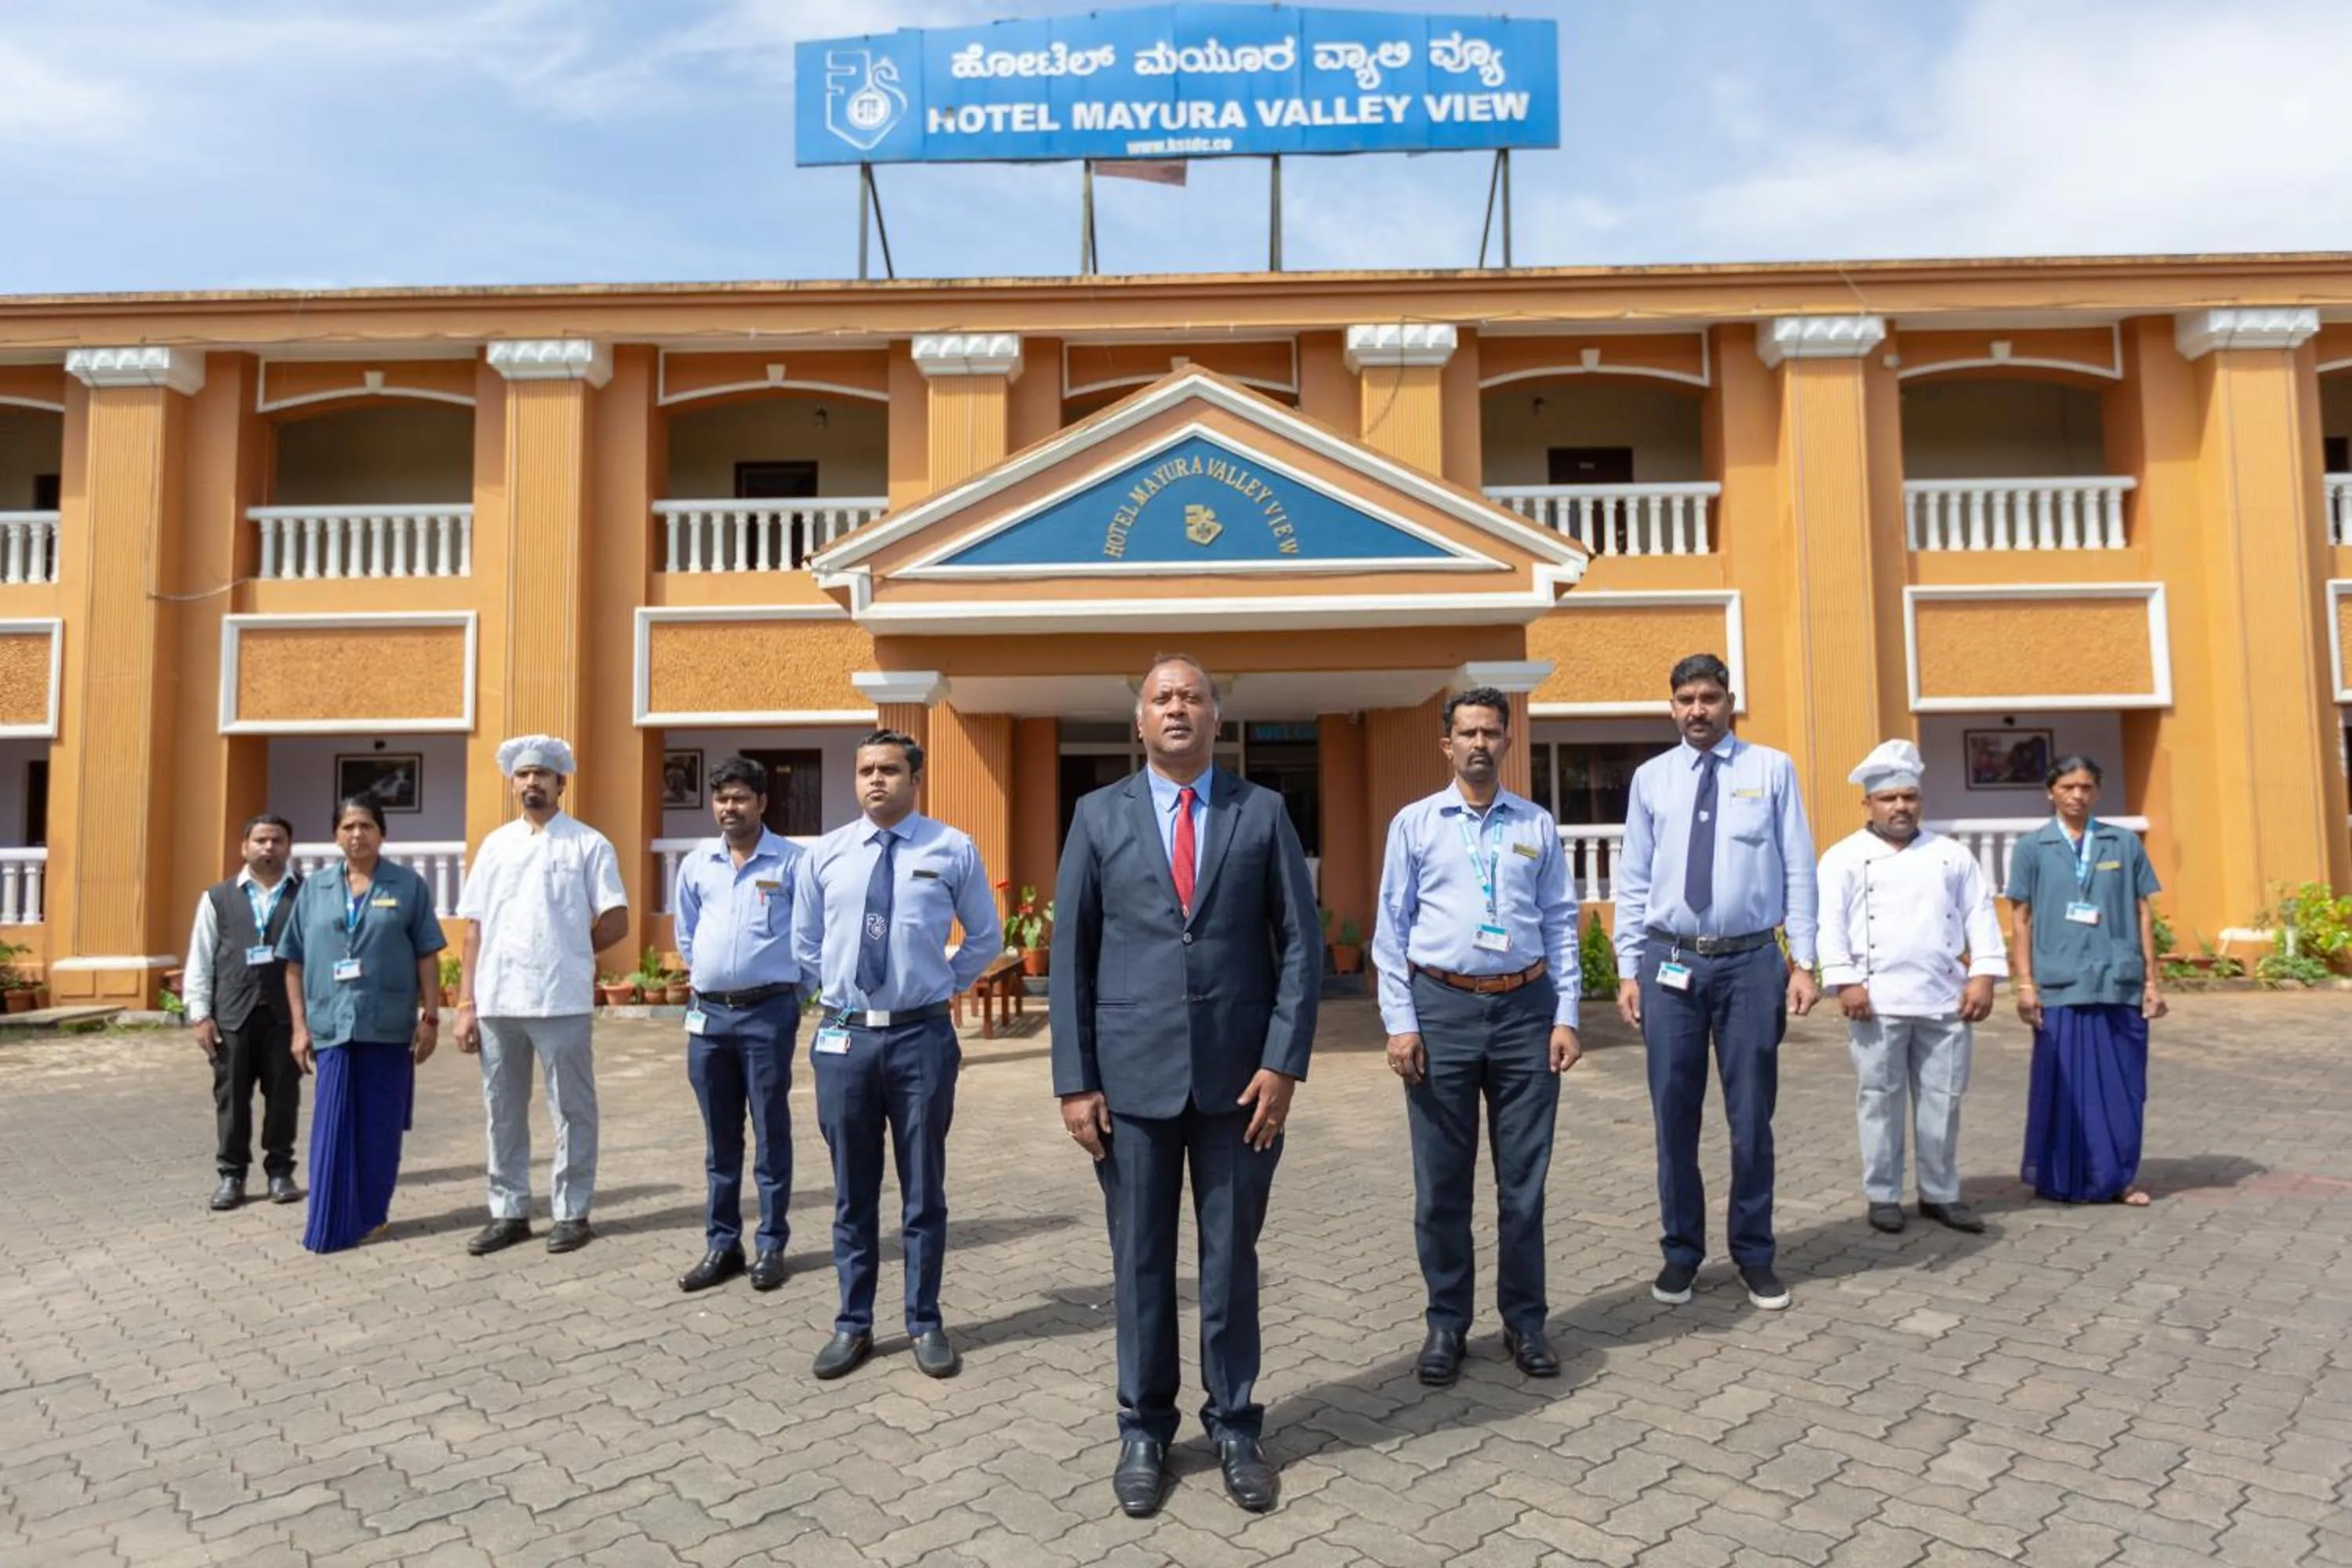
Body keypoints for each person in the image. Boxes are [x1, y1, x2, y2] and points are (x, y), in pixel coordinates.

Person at [1052, 654, 1320, 1519]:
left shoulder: (1262, 811)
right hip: (1129, 1086)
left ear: (1215, 717)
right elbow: (1072, 960)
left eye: (1192, 696)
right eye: (1162, 697)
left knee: (1230, 1258)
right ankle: (1144, 1427)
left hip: (1240, 1085)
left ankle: (1237, 1423)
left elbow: (1301, 947)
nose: (1177, 708)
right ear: (1140, 722)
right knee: (1139, 1262)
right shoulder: (1097, 816)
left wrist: (1282, 1063)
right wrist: (1075, 1080)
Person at [1372, 687, 1582, 1388]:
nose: (1479, 744)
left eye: (1492, 732)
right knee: (1441, 1186)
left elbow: (1559, 919)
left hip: (1525, 1011)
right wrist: (1401, 1023)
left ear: (1507, 741)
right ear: (1447, 744)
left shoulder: (1537, 825)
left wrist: (1567, 1013)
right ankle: (1446, 1323)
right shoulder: (1416, 824)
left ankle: (1525, 1322)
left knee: (1524, 1184)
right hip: (1442, 1013)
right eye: (1467, 733)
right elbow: (1389, 932)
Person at [1613, 652, 1819, 1312]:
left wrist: (1806, 960)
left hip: (1752, 965)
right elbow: (1635, 878)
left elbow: (1799, 867)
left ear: (1730, 700)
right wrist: (1627, 967)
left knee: (1750, 1116)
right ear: (1671, 707)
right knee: (1674, 1117)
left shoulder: (1772, 769)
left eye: (1708, 697)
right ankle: (1682, 1253)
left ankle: (1754, 1253)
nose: (1697, 710)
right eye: (1685, 700)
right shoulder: (1651, 780)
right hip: (1669, 962)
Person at [791, 730, 999, 1381]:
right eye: (865, 771)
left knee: (922, 1189)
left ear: (916, 778)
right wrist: (840, 997)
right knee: (853, 1192)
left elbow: (984, 937)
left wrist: (942, 985)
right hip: (847, 1039)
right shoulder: (824, 855)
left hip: (920, 1040)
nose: (874, 781)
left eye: (888, 770)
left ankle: (924, 1321)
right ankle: (853, 1324)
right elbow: (805, 945)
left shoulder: (950, 848)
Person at [1817, 739, 2006, 1236]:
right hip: (1875, 1003)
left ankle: (1940, 1193)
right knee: (1879, 1097)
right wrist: (1845, 982)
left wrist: (1984, 975)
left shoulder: (1951, 855)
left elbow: (1980, 917)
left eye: (1909, 797)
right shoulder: (1842, 858)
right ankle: (1883, 1194)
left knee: (1943, 1098)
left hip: (1945, 998)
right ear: (1869, 804)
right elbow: (1828, 925)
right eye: (1889, 799)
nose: (1900, 807)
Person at [452, 735, 630, 1258]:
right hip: (499, 1000)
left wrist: (572, 950)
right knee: (501, 1109)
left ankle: (572, 1212)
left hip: (561, 999)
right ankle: (508, 1211)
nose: (532, 782)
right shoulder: (495, 845)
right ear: (513, 783)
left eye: (542, 774)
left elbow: (616, 918)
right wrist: (466, 1004)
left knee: (572, 1109)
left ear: (561, 783)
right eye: (524, 774)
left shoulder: (587, 844)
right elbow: (474, 929)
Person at [278, 797, 445, 1253]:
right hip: (332, 1023)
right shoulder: (314, 890)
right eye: (348, 826)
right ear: (336, 835)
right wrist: (299, 1027)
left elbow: (427, 954)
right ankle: (330, 1220)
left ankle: (372, 1214)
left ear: (382, 833)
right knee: (332, 1124)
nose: (358, 834)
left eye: (367, 825)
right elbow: (293, 960)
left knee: (380, 1125)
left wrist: (430, 1017)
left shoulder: (408, 886)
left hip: (388, 1024)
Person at [673, 756, 807, 1294]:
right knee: (720, 1139)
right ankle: (723, 1243)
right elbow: (687, 934)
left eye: (740, 798)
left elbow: (811, 934)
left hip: (767, 1014)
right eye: (722, 798)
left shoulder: (792, 862)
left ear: (762, 803)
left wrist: (794, 994)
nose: (730, 808)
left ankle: (771, 1244)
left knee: (771, 1131)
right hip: (708, 1016)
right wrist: (707, 978)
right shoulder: (696, 864)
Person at [2007, 754, 2165, 1207]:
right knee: (2065, 1086)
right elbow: (2020, 917)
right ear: (2050, 792)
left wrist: (2151, 981)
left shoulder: (2122, 843)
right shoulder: (2033, 847)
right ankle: (2062, 1177)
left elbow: (2142, 911)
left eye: (2086, 787)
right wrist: (2025, 984)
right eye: (2068, 787)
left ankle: (2119, 1178)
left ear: (2097, 791)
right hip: (2060, 984)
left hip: (2119, 981)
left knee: (2124, 1086)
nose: (2077, 795)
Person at [185, 814, 304, 1210]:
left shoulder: (306, 895)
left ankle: (280, 1171)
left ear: (288, 846)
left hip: (287, 1017)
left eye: (277, 840)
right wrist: (201, 1014)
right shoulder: (217, 897)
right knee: (232, 1098)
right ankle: (232, 1175)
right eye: (260, 840)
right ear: (244, 847)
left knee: (284, 1096)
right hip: (233, 1016)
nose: (268, 847)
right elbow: (201, 958)